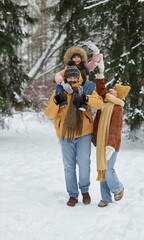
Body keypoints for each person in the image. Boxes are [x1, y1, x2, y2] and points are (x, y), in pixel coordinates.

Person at [45, 63, 103, 207]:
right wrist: (55, 101)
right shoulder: (59, 92)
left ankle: (85, 191)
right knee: (69, 166)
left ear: (78, 77)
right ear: (65, 78)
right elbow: (49, 114)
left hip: (84, 133)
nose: (72, 80)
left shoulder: (86, 89)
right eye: (69, 77)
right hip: (66, 134)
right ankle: (72, 194)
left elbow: (99, 104)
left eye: (74, 77)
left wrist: (87, 99)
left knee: (84, 164)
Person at [92, 56, 131, 207]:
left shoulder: (117, 108)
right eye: (113, 87)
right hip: (102, 143)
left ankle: (118, 188)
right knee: (102, 169)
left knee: (108, 170)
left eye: (115, 89)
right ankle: (105, 198)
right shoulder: (105, 101)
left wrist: (110, 146)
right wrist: (101, 71)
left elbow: (116, 128)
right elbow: (101, 89)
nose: (111, 89)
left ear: (119, 94)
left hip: (111, 145)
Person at [55, 42, 101, 111]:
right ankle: (62, 100)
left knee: (90, 83)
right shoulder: (68, 68)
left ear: (81, 58)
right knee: (59, 86)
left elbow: (94, 62)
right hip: (71, 86)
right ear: (71, 59)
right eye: (75, 58)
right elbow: (57, 75)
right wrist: (62, 83)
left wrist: (96, 52)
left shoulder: (86, 67)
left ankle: (83, 102)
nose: (77, 59)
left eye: (78, 57)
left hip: (83, 87)